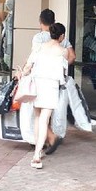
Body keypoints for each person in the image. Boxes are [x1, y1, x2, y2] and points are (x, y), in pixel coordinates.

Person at [19, 23, 69, 169]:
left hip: (37, 85)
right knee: (44, 120)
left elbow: (28, 66)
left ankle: (38, 151)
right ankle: (36, 155)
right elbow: (63, 70)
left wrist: (22, 74)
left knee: (37, 118)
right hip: (51, 86)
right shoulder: (63, 51)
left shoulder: (39, 47)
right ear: (61, 36)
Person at [28, 8, 75, 154]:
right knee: (47, 114)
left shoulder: (38, 39)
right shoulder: (62, 40)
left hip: (39, 79)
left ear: (40, 21)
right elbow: (72, 57)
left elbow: (33, 59)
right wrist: (61, 67)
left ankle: (43, 142)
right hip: (54, 82)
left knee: (39, 115)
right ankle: (48, 140)